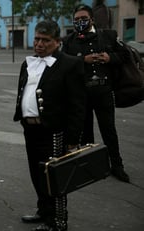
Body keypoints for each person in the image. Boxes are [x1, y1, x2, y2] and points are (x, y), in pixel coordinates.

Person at [13, 20, 86, 231]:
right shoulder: (27, 63)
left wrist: (73, 141)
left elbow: (77, 106)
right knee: (37, 175)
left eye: (45, 40)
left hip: (54, 131)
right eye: (37, 39)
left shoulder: (70, 64)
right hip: (30, 129)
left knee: (55, 179)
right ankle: (44, 212)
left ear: (57, 42)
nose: (39, 44)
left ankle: (59, 222)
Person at [61, 4, 130, 183]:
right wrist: (82, 60)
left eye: (83, 19)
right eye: (76, 20)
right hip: (81, 95)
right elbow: (62, 62)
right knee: (85, 133)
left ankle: (117, 165)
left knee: (109, 131)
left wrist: (109, 58)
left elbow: (125, 55)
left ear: (91, 19)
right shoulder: (69, 40)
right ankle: (88, 166)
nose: (79, 22)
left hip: (103, 92)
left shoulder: (108, 36)